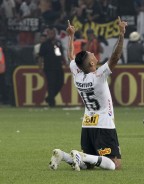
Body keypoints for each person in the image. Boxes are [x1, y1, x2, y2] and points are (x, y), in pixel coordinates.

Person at [49, 17, 127, 171]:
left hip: (87, 125)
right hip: (104, 125)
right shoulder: (99, 76)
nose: (92, 52)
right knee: (115, 165)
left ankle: (63, 155)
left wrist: (71, 36)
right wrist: (122, 34)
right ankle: (80, 155)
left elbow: (71, 57)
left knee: (88, 165)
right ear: (91, 63)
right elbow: (115, 57)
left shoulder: (78, 75)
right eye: (91, 54)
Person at [38, 27, 65, 107]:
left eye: (52, 33)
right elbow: (40, 56)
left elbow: (59, 54)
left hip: (58, 66)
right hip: (49, 67)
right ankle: (51, 102)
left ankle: (50, 97)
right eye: (49, 33)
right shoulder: (44, 44)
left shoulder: (58, 43)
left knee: (60, 83)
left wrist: (63, 60)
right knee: (51, 84)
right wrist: (40, 67)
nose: (51, 35)